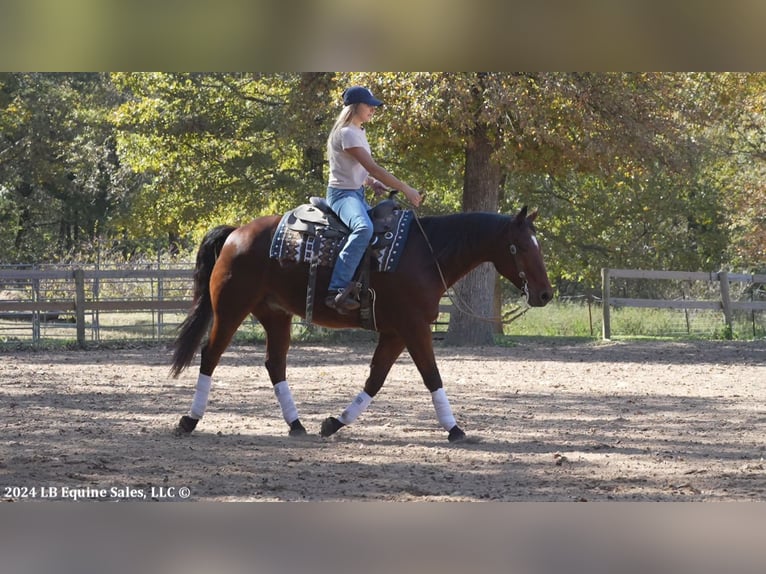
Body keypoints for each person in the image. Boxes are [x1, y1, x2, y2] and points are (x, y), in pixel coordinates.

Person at [324, 86, 422, 313]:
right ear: (354, 106)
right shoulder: (347, 133)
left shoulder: (357, 131)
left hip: (356, 193)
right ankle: (335, 290)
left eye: (373, 106)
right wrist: (405, 188)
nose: (373, 109)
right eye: (369, 105)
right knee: (363, 229)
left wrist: (369, 182)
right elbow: (373, 167)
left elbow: (355, 169)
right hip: (342, 195)